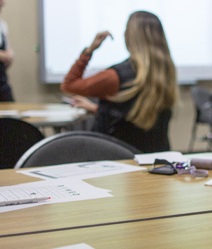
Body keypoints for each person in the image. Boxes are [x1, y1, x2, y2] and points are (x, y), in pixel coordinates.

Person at [61, 11, 177, 153]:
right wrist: (97, 109)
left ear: (129, 36)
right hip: (155, 158)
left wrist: (89, 51)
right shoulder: (166, 73)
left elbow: (69, 85)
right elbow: (135, 117)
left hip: (117, 160)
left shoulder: (114, 77)